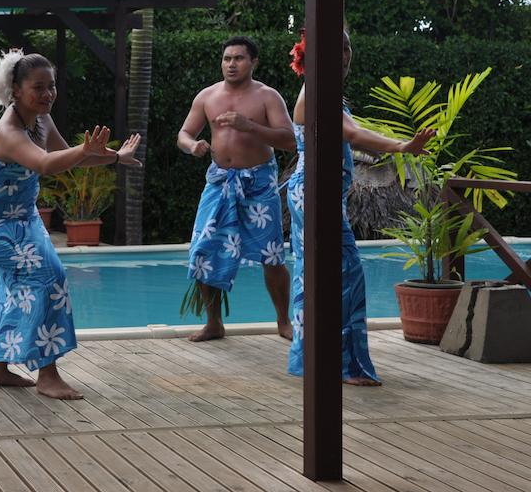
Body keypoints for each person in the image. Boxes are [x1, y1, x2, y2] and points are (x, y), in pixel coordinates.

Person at [0, 50, 141, 400]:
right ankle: (48, 375)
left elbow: (71, 158)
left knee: (21, 280)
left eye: (52, 86)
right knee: (49, 278)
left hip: (24, 214)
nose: (47, 94)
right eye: (38, 87)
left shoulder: (42, 121)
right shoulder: (9, 131)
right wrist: (88, 151)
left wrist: (114, 156)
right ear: (15, 90)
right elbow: (45, 163)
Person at [286, 30, 433, 385]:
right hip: (315, 192)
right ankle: (347, 366)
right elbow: (350, 134)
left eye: (347, 47)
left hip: (315, 191)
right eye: (335, 48)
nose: (344, 54)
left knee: (315, 274)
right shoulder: (317, 90)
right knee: (347, 274)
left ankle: (310, 360)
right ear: (312, 56)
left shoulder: (322, 90)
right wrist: (402, 146)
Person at [177, 36, 296, 342]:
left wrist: (250, 126)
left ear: (253, 63)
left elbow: (290, 139)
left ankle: (283, 321)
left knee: (271, 255)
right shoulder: (207, 96)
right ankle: (214, 323)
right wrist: (193, 146)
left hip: (258, 184)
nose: (231, 64)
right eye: (227, 58)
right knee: (203, 250)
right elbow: (184, 133)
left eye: (239, 58)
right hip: (219, 181)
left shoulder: (268, 97)